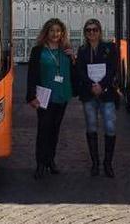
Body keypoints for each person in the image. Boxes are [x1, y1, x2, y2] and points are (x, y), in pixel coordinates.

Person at [26, 18, 76, 179]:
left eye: (58, 31)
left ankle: (51, 161)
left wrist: (74, 59)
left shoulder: (66, 50)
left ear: (62, 33)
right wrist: (31, 96)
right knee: (43, 130)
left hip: (62, 95)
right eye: (52, 31)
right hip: (44, 97)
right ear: (46, 32)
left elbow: (74, 72)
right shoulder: (38, 50)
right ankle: (40, 163)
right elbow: (31, 75)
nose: (55, 34)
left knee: (55, 130)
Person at [74, 19, 119, 177]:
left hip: (106, 93)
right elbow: (80, 71)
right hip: (89, 94)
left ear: (100, 31)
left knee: (110, 126)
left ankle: (108, 163)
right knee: (91, 127)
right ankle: (95, 163)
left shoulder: (109, 47)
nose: (91, 33)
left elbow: (113, 68)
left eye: (94, 30)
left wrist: (102, 85)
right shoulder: (82, 50)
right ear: (85, 33)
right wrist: (91, 86)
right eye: (88, 30)